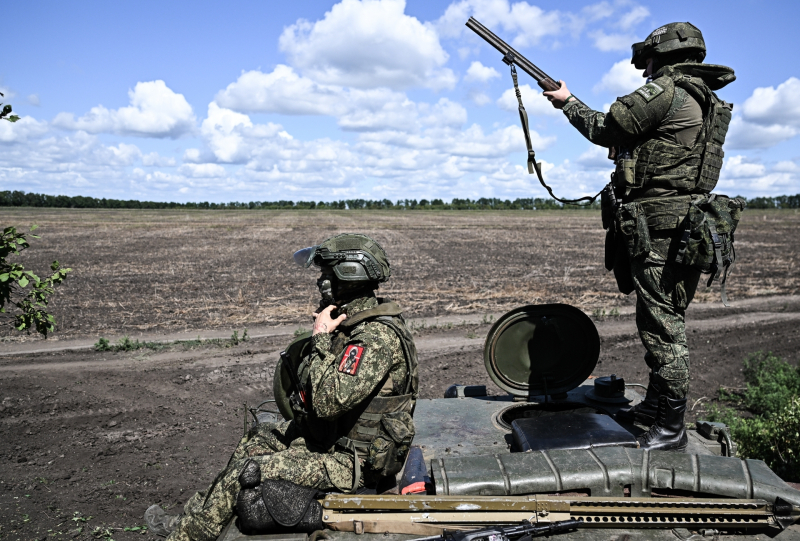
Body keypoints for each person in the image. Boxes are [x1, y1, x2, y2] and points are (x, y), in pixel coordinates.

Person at [146, 233, 419, 540]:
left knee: (245, 470)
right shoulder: (354, 322)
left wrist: (320, 337)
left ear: (349, 276)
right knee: (255, 440)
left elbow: (327, 403)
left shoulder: (375, 339)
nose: (320, 282)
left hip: (352, 464)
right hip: (334, 440)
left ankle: (185, 537)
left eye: (326, 274)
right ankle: (192, 521)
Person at [543, 23, 736, 451]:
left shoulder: (666, 91)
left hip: (662, 229)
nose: (645, 70)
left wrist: (566, 101)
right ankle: (654, 408)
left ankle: (671, 428)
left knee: (663, 327)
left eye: (647, 61)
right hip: (683, 224)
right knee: (662, 318)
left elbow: (606, 128)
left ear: (660, 57)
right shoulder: (705, 98)